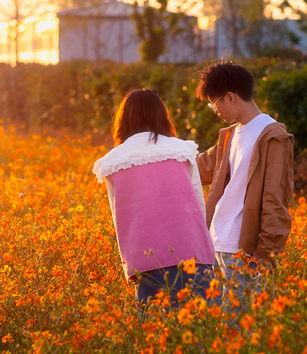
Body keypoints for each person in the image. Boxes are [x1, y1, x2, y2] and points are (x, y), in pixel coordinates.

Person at [92, 89, 215, 312]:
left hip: (146, 262)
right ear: (161, 114)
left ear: (124, 119)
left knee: (156, 337)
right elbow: (198, 202)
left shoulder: (112, 162)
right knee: (204, 331)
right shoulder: (182, 150)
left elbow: (118, 216)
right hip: (194, 254)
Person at [194, 61, 294, 321]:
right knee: (220, 328)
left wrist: (263, 254)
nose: (213, 109)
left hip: (245, 250)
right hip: (216, 243)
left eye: (214, 102)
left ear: (231, 97)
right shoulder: (230, 135)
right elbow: (199, 167)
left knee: (243, 329)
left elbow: (276, 199)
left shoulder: (273, 136)